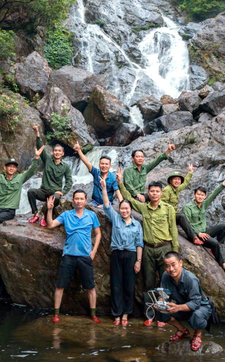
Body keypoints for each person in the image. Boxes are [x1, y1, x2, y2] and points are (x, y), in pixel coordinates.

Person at [116, 167, 178, 327]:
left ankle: (163, 317)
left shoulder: (169, 209)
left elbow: (174, 231)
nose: (155, 193)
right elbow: (129, 198)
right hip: (148, 249)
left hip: (165, 248)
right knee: (148, 283)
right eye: (152, 191)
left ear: (161, 193)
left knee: (165, 283)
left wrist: (175, 255)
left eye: (157, 191)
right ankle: (149, 315)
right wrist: (120, 183)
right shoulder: (144, 207)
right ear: (148, 193)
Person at [46, 190, 102, 323]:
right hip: (69, 255)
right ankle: (56, 314)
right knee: (60, 285)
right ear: (73, 201)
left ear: (85, 200)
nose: (79, 201)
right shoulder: (66, 215)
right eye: (76, 199)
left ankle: (93, 315)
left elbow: (98, 233)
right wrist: (49, 210)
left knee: (90, 286)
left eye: (81, 199)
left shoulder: (91, 215)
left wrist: (94, 251)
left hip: (85, 256)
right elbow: (50, 225)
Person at [99, 177, 143, 326]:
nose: (124, 211)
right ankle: (117, 314)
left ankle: (126, 314)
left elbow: (139, 244)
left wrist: (138, 261)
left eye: (127, 208)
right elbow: (106, 206)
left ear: (131, 210)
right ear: (119, 209)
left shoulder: (137, 225)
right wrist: (104, 188)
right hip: (117, 254)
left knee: (129, 286)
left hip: (131, 255)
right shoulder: (116, 219)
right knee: (116, 285)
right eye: (122, 208)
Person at [181, 170, 225, 279]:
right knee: (213, 242)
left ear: (205, 196)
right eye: (198, 194)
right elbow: (186, 224)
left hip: (204, 232)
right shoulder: (188, 207)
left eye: (202, 195)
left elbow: (215, 193)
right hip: (194, 235)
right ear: (194, 195)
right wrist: (198, 233)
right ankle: (224, 265)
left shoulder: (204, 204)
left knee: (224, 227)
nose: (200, 196)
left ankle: (215, 248)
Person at [156, 251, 214, 352]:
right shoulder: (165, 276)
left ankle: (197, 334)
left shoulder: (191, 279)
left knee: (197, 315)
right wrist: (160, 303)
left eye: (173, 265)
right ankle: (182, 330)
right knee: (160, 311)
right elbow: (163, 295)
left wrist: (177, 308)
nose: (171, 269)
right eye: (167, 266)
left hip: (201, 307)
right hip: (181, 306)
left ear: (180, 263)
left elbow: (196, 303)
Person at [27, 125, 72, 226]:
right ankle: (35, 214)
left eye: (59, 151)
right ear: (52, 152)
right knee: (31, 192)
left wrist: (63, 192)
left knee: (55, 198)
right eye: (55, 151)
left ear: (62, 153)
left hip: (54, 193)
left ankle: (44, 215)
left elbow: (69, 181)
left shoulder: (65, 166)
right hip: (43, 191)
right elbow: (40, 147)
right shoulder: (47, 160)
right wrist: (37, 133)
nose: (57, 152)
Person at [160, 164, 203, 246]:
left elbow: (185, 183)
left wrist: (190, 173)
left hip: (172, 215)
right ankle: (193, 237)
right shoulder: (167, 190)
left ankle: (193, 234)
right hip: (167, 216)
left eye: (178, 179)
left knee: (183, 216)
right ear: (171, 180)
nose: (177, 181)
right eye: (175, 179)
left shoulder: (176, 189)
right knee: (181, 217)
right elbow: (162, 204)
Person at [73, 142, 123, 206]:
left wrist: (122, 205)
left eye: (106, 164)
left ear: (110, 166)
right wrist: (79, 150)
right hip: (94, 202)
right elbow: (87, 162)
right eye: (102, 164)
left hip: (107, 203)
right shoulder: (96, 173)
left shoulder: (113, 177)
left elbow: (117, 192)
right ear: (99, 165)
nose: (104, 166)